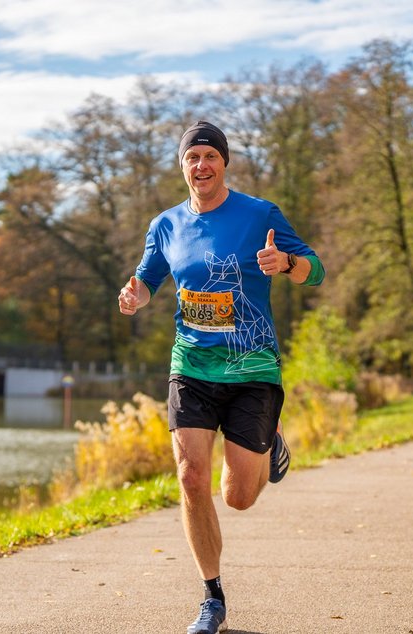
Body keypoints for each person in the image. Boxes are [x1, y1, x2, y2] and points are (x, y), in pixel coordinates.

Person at [117, 121, 325, 634]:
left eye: (210, 156)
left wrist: (285, 264)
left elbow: (315, 269)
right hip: (191, 364)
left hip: (253, 369)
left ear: (224, 162)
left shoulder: (260, 214)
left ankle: (270, 438)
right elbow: (146, 281)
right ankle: (212, 598)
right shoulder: (164, 224)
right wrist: (133, 298)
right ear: (182, 166)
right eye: (193, 157)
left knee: (238, 496)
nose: (202, 165)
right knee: (190, 476)